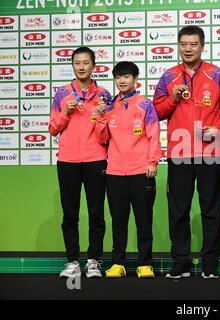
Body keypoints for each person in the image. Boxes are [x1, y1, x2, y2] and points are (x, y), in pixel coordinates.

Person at [153, 25, 220, 279]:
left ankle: (210, 265)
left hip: (210, 153)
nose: (188, 49)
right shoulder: (168, 77)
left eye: (193, 44)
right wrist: (172, 99)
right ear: (179, 46)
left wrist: (218, 130)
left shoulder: (216, 75)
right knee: (179, 211)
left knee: (211, 211)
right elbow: (156, 113)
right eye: (183, 44)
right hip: (180, 153)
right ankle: (181, 264)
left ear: (202, 46)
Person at [49, 46, 112, 279]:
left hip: (96, 159)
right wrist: (65, 111)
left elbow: (105, 137)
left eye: (86, 62)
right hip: (68, 160)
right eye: (77, 63)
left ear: (93, 65)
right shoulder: (61, 94)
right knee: (70, 214)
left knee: (96, 213)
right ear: (72, 65)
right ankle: (72, 261)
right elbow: (53, 129)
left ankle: (94, 260)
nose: (82, 67)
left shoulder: (104, 94)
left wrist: (102, 116)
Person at [95, 61, 161, 278]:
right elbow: (102, 138)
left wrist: (152, 162)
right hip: (114, 173)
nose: (122, 81)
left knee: (144, 220)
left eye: (126, 77)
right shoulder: (109, 105)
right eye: (118, 77)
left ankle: (145, 264)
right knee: (118, 222)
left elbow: (153, 135)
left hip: (141, 171)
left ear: (135, 79)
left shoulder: (145, 105)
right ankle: (118, 263)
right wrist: (101, 116)